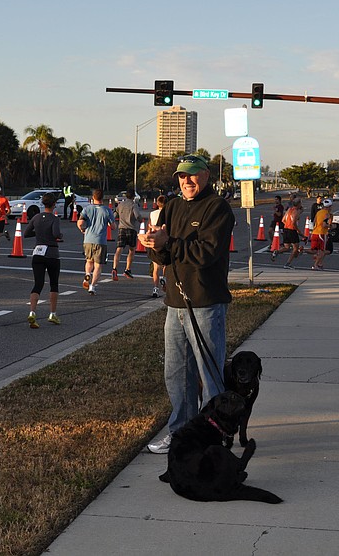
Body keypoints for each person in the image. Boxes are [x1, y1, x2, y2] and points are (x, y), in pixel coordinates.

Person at [139, 154, 233, 456]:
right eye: (181, 176)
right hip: (175, 303)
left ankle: (215, 436)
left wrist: (169, 243)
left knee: (209, 373)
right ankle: (181, 433)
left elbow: (206, 253)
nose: (187, 181)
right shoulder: (173, 207)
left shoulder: (217, 208)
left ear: (206, 175)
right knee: (177, 373)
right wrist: (154, 245)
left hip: (206, 303)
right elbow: (165, 255)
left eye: (192, 175)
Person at [23, 192, 63, 328]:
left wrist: (39, 233)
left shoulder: (36, 217)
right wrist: (60, 235)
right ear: (54, 204)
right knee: (54, 284)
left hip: (38, 253)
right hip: (52, 253)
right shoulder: (54, 219)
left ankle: (32, 312)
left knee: (38, 283)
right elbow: (56, 233)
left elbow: (26, 233)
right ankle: (52, 314)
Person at [77, 188, 114, 296]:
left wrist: (82, 229)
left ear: (93, 197)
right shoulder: (107, 210)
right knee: (98, 265)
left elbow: (80, 222)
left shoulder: (87, 209)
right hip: (100, 240)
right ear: (103, 198)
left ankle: (88, 274)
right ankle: (92, 286)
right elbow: (113, 226)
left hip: (88, 239)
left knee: (89, 261)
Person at [111, 188, 144, 281]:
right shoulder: (134, 205)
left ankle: (114, 268)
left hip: (122, 228)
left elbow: (114, 215)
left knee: (119, 249)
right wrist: (141, 220)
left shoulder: (120, 205)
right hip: (131, 229)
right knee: (132, 250)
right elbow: (137, 216)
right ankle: (128, 269)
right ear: (133, 196)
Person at [149, 196, 167, 297]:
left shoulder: (152, 213)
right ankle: (164, 279)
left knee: (155, 268)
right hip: (164, 240)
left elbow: (149, 226)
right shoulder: (168, 214)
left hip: (154, 241)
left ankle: (155, 288)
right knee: (165, 264)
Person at [309, 198, 333, 270]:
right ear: (329, 207)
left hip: (315, 232)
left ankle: (302, 250)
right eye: (331, 206)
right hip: (321, 233)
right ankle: (315, 265)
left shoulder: (318, 212)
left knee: (315, 250)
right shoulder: (327, 214)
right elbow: (324, 225)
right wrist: (330, 226)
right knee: (322, 251)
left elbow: (314, 222)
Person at [281, 198, 303, 269]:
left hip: (286, 229)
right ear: (299, 204)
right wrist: (298, 230)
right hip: (292, 230)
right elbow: (293, 223)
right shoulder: (296, 211)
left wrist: (287, 224)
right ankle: (288, 263)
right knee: (295, 248)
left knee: (287, 247)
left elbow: (283, 220)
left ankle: (277, 251)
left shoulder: (289, 210)